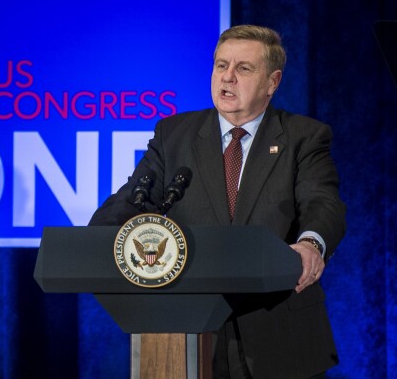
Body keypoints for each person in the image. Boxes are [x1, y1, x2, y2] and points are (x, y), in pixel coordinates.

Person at [89, 25, 346, 379]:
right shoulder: (174, 134)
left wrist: (310, 242)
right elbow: (132, 201)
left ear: (272, 82)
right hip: (188, 333)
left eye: (243, 68)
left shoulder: (304, 136)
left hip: (277, 332)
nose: (227, 77)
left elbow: (322, 201)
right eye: (220, 65)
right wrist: (97, 240)